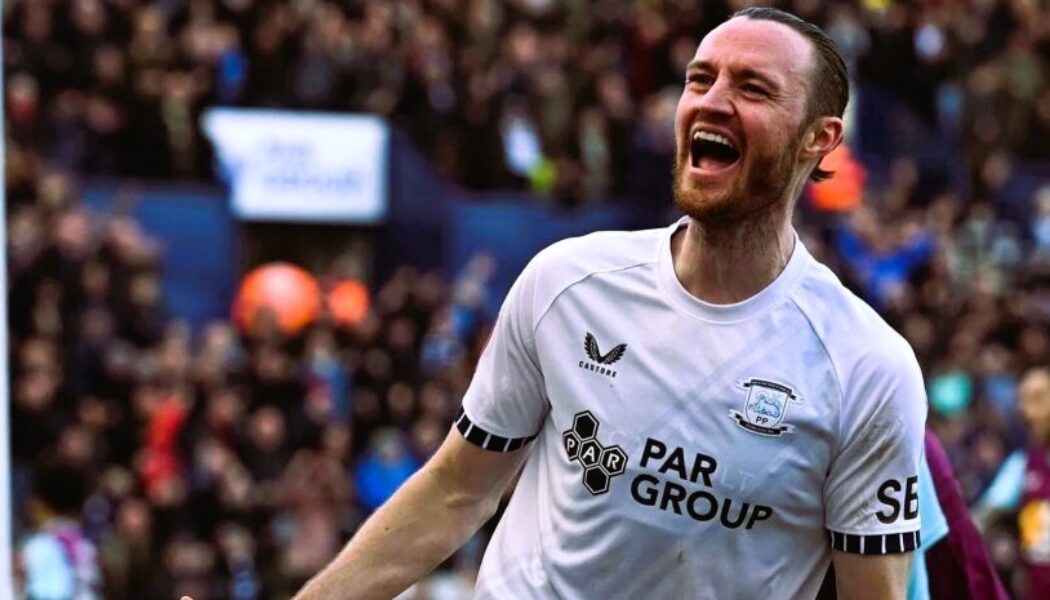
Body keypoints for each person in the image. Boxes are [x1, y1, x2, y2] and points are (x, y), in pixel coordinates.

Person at [295, 8, 927, 599]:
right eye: (699, 80)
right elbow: (455, 491)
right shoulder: (567, 283)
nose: (711, 101)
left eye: (752, 88)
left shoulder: (867, 365)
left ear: (820, 138)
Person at [973, 367, 1050, 598]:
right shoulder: (1023, 463)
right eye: (1022, 401)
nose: (1025, 411)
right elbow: (983, 516)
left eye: (1037, 399)